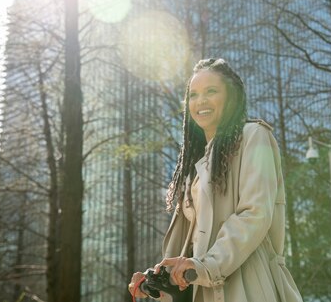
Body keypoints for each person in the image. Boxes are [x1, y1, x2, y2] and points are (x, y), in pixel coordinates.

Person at [128, 58, 302, 302]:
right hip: (204, 287)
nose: (201, 101)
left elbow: (255, 214)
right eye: (194, 95)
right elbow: (192, 246)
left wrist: (205, 266)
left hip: (248, 284)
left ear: (231, 97)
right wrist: (159, 277)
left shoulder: (254, 136)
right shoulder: (195, 164)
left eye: (211, 91)